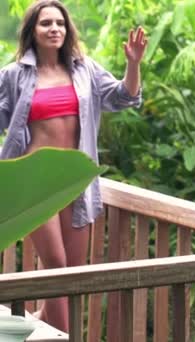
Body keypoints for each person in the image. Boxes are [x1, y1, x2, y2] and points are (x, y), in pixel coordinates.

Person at [0, 0, 147, 332]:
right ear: (32, 32)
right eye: (45, 23)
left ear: (67, 31)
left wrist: (133, 64)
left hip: (75, 181)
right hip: (34, 181)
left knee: (73, 270)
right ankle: (65, 337)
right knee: (56, 265)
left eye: (60, 23)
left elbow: (124, 97)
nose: (54, 29)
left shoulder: (85, 70)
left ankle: (43, 321)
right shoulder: (13, 75)